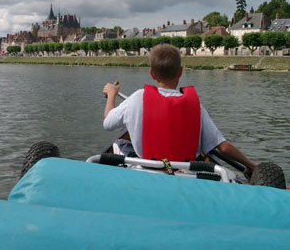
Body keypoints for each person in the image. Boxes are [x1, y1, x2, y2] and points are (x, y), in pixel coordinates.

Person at [103, 44, 256, 179]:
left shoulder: (137, 98)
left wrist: (111, 94)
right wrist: (250, 165)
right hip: (185, 171)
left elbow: (108, 123)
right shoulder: (196, 106)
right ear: (180, 72)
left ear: (152, 74)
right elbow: (223, 147)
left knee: (119, 143)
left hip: (147, 169)